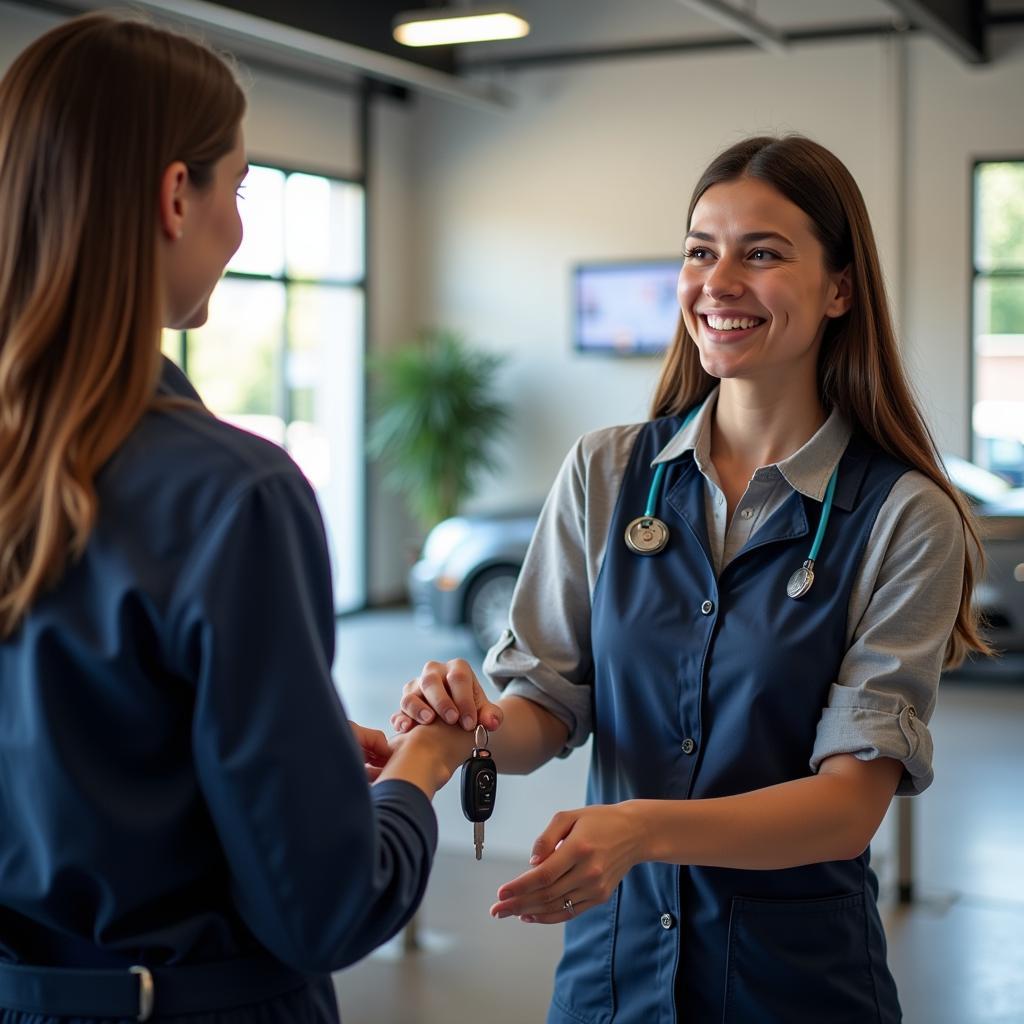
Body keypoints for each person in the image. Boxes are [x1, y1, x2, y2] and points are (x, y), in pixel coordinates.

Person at [392, 134, 991, 1023]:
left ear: (839, 288)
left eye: (762, 253)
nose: (719, 281)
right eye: (701, 252)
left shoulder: (905, 517)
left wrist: (641, 831)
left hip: (795, 991)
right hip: (612, 983)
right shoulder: (607, 471)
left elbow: (845, 807)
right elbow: (546, 709)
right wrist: (457, 728)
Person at [0, 13, 472, 1022]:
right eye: (241, 189)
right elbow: (326, 908)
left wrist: (281, 737)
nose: (240, 224)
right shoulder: (231, 493)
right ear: (178, 195)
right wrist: (422, 771)